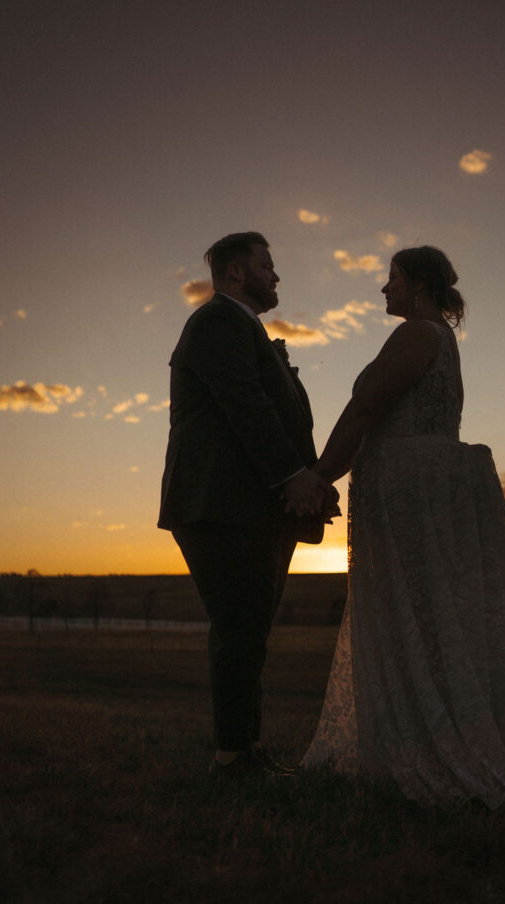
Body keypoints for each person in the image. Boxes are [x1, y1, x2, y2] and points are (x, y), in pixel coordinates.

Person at [303, 246, 505, 808]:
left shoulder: (418, 334)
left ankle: (427, 749)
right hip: (421, 483)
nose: (383, 289)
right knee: (428, 615)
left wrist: (321, 474)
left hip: (408, 487)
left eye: (392, 278)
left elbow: (367, 408)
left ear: (418, 284)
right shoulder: (442, 338)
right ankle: (428, 734)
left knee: (414, 612)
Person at [158, 232, 334, 780]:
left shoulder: (245, 328)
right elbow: (245, 403)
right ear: (236, 272)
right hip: (221, 503)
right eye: (267, 265)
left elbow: (273, 410)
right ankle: (233, 758)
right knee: (239, 627)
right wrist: (292, 477)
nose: (276, 275)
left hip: (249, 505)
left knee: (249, 629)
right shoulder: (217, 323)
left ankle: (244, 751)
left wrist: (304, 480)